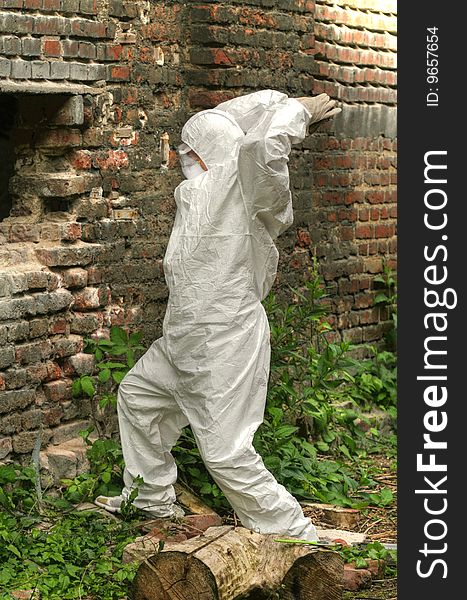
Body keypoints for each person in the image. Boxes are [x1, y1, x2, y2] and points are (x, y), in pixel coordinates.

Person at [95, 90, 340, 541]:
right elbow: (221, 122)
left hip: (225, 339)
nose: (186, 159)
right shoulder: (198, 191)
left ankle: (291, 530)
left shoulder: (245, 184)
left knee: (225, 450)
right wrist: (272, 99)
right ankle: (148, 499)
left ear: (212, 152)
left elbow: (260, 146)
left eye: (193, 151)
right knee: (138, 398)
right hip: (182, 336)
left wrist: (296, 110)